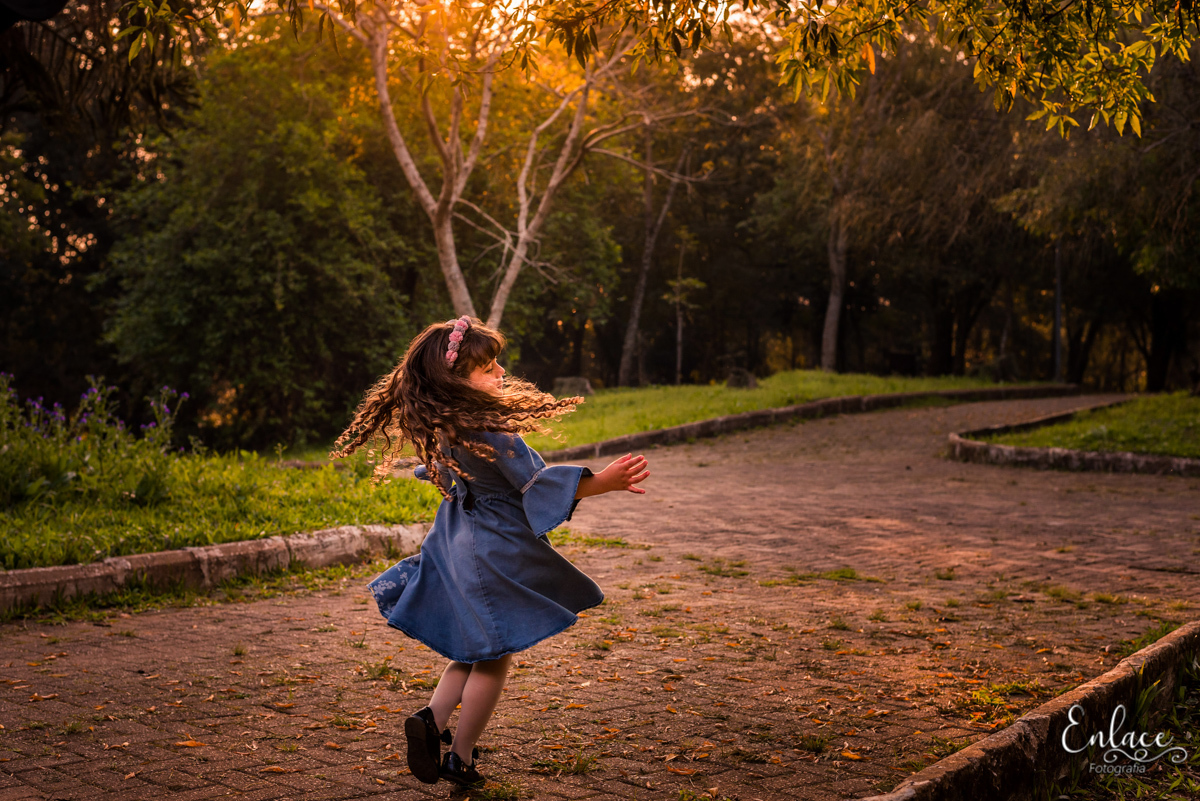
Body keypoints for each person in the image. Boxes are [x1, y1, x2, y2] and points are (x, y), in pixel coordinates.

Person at [332, 316, 650, 787]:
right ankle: (459, 758)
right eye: (488, 368)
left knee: (475, 647)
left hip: (457, 541)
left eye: (498, 364)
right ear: (454, 381)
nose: (501, 373)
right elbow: (535, 484)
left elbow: (445, 474)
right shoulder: (492, 429)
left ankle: (431, 720)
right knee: (496, 653)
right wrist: (602, 483)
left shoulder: (446, 425)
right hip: (493, 551)